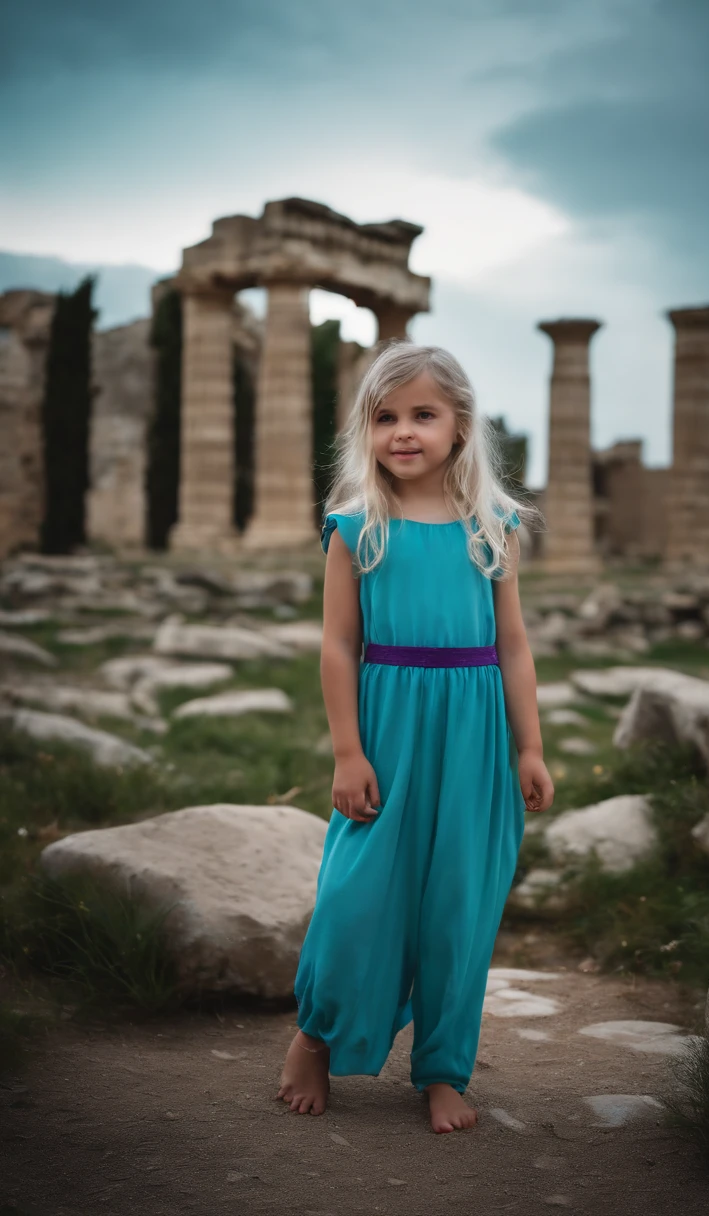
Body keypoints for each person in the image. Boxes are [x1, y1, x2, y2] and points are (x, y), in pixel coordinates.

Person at [276, 342, 555, 1134]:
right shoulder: (355, 526)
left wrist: (528, 747)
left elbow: (512, 644)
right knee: (356, 896)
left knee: (458, 907)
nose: (403, 431)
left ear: (461, 427)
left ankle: (441, 1068)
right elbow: (336, 645)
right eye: (384, 417)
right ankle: (315, 1037)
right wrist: (347, 752)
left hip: (476, 736)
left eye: (423, 415)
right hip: (389, 728)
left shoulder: (492, 527)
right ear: (364, 432)